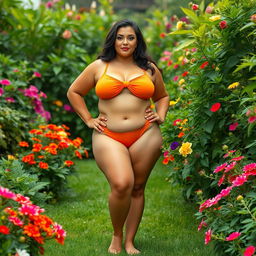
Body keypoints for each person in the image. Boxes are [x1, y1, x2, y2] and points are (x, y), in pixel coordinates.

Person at [67, 19, 169, 255]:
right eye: (120, 37)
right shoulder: (98, 66)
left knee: (138, 187)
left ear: (137, 41)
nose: (125, 42)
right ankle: (116, 235)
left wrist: (161, 115)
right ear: (113, 39)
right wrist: (88, 120)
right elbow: (74, 91)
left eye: (130, 37)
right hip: (108, 134)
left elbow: (163, 96)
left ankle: (131, 241)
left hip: (146, 133)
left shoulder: (149, 69)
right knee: (123, 183)